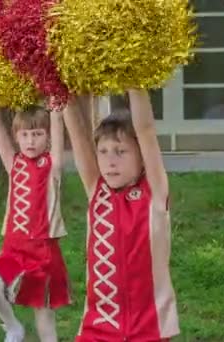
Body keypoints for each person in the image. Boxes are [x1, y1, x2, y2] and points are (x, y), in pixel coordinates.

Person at [64, 90, 180, 341]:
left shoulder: (154, 193)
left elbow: (146, 129)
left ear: (141, 156)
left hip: (149, 326)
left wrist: (135, 79)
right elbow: (78, 138)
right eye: (103, 152)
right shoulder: (97, 190)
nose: (110, 161)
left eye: (120, 151)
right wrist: (59, 90)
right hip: (98, 326)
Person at [0, 103, 71, 342]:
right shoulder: (15, 164)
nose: (31, 141)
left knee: (43, 312)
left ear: (48, 138)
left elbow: (58, 131)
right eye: (25, 135)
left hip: (43, 254)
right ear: (17, 138)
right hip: (14, 251)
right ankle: (13, 327)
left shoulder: (52, 166)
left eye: (38, 134)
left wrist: (56, 111)